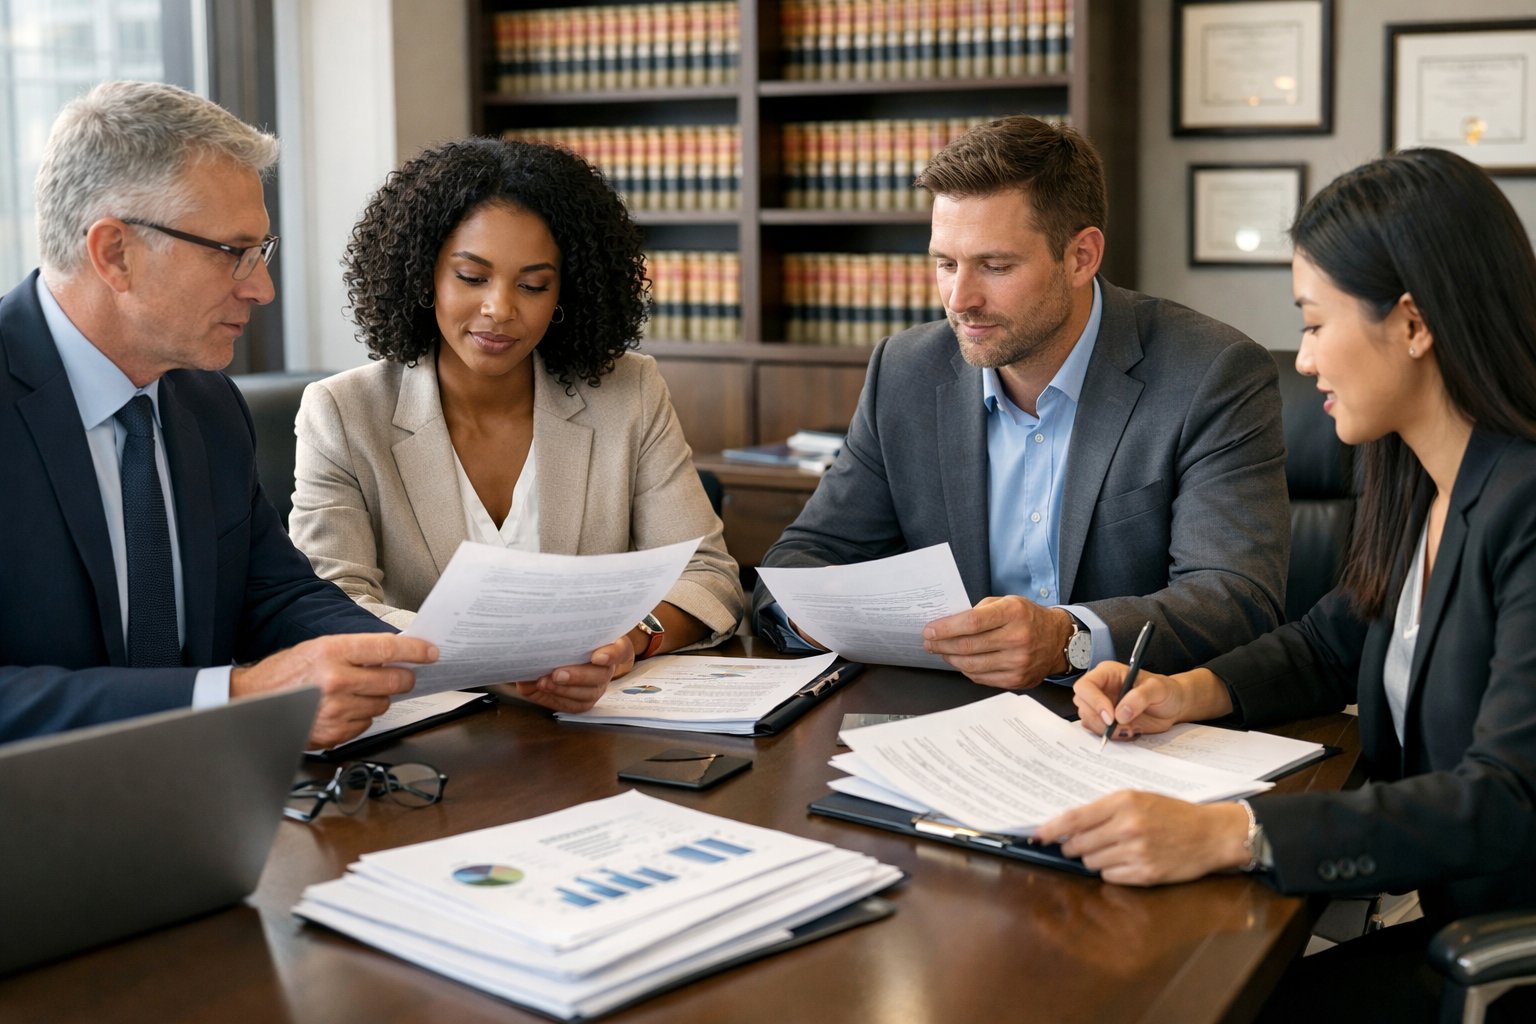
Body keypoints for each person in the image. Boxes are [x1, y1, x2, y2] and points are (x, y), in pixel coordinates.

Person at [1037, 149, 1536, 1022]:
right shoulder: (1424, 478)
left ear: (1412, 322)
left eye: (1313, 322)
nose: (1302, 361)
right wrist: (1183, 691)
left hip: (1497, 959)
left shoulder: (1525, 505)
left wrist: (1230, 832)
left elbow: (1508, 798)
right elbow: (1333, 639)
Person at [752, 115, 1288, 687]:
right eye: (945, 263)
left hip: (1132, 719)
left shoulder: (1211, 372)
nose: (961, 299)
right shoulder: (905, 372)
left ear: (1082, 256)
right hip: (951, 718)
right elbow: (802, 559)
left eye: (996, 266)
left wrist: (1069, 640)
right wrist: (815, 618)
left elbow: (1236, 597)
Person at [0, 81, 438, 748]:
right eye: (233, 253)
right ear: (115, 252)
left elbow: (276, 596)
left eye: (263, 252)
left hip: (212, 803)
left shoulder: (204, 401)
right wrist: (235, 696)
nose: (259, 287)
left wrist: (460, 658)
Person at [288, 137, 744, 716]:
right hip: (430, 731)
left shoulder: (627, 392)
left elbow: (707, 575)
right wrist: (492, 663)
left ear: (564, 293)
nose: (500, 309)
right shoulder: (343, 413)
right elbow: (333, 601)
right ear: (425, 276)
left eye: (532, 285)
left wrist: (628, 642)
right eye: (472, 277)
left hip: (596, 728)